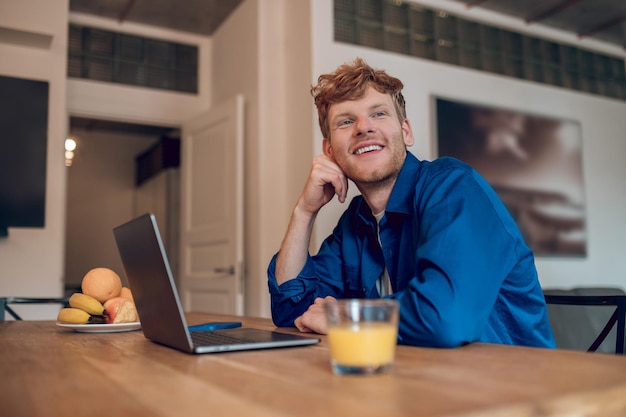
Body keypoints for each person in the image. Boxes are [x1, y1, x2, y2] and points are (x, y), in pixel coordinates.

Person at [267, 58, 555, 348]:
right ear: (329, 151)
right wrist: (305, 211)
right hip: (413, 380)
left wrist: (345, 316)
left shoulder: (453, 186)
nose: (363, 128)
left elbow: (446, 318)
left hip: (512, 385)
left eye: (378, 114)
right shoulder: (354, 223)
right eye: (345, 121)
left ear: (406, 133)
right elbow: (294, 312)